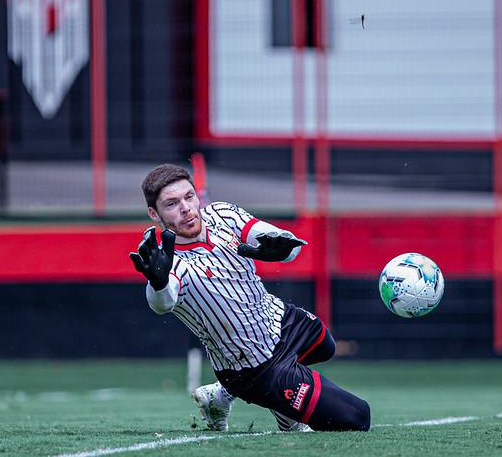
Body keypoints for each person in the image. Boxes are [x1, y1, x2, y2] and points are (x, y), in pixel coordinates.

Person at [129, 164, 371, 432]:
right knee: (358, 417)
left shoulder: (222, 214)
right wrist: (157, 281)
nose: (185, 208)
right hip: (254, 368)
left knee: (326, 346)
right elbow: (162, 303)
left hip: (280, 321)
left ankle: (220, 396)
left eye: (189, 197)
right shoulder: (167, 262)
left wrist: (281, 250)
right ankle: (277, 405)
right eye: (172, 204)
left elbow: (284, 244)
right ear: (154, 213)